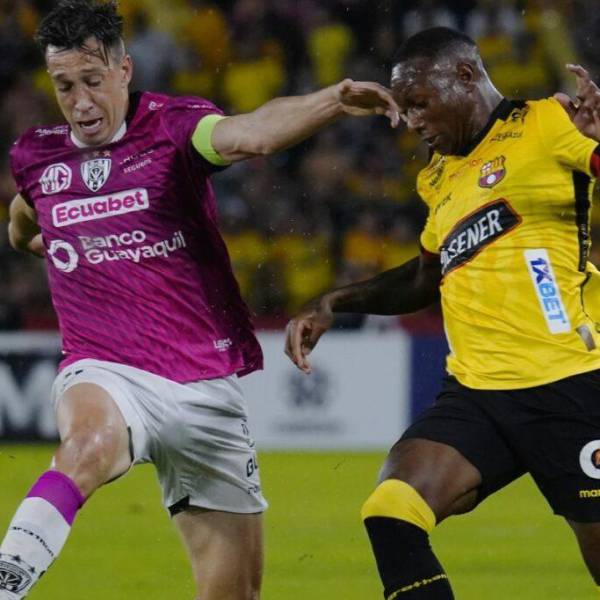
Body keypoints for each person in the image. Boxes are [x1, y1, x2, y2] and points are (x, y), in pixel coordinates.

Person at [2, 1, 400, 599]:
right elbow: (23, 222)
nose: (80, 102)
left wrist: (333, 100)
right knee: (87, 445)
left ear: (124, 70)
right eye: (64, 87)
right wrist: (52, 244)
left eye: (92, 81)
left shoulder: (173, 128)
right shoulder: (38, 155)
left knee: (234, 594)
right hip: (105, 368)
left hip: (203, 387)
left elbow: (252, 134)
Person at [286, 27, 600, 599]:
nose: (410, 122)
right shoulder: (438, 175)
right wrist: (332, 301)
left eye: (419, 103)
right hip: (477, 393)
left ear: (465, 76)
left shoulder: (545, 123)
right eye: (404, 109)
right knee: (391, 510)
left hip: (569, 383)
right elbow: (423, 278)